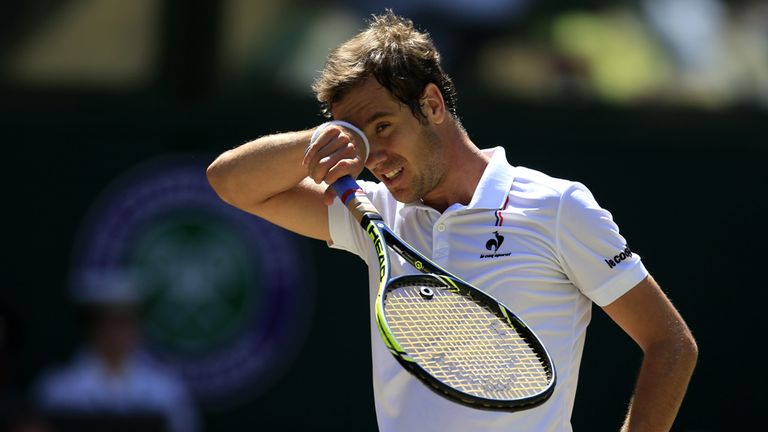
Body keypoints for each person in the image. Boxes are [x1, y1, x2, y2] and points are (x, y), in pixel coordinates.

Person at [207, 10, 698, 432]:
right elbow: (230, 182)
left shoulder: (557, 206)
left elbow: (670, 344)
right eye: (359, 137)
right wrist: (324, 138)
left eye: (382, 127)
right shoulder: (376, 212)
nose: (373, 155)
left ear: (432, 104)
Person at [33, 268, 198, 432]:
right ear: (91, 325)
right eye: (109, 322)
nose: (118, 332)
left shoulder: (165, 389)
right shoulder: (58, 388)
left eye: (127, 321)